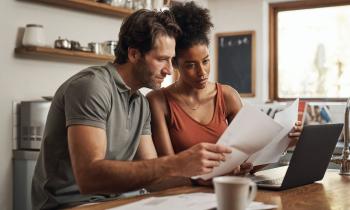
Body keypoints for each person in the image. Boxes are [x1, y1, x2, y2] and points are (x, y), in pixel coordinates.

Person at [31, 9, 233, 210]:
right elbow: (89, 177)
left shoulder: (140, 103)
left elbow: (153, 177)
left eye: (171, 60)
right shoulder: (92, 87)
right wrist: (177, 163)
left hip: (121, 203)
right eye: (162, 59)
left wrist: (202, 178)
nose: (170, 70)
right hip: (74, 205)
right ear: (134, 54)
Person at [147, 2, 302, 178]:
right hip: (184, 198)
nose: (202, 72)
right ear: (174, 63)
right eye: (190, 65)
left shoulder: (227, 96)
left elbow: (250, 164)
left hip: (225, 193)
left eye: (205, 61)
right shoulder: (158, 101)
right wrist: (206, 178)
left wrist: (285, 142)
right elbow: (167, 171)